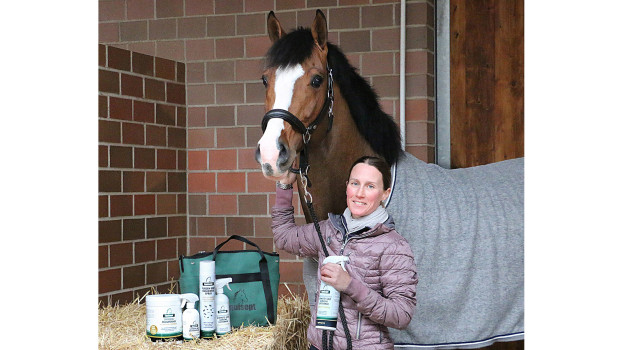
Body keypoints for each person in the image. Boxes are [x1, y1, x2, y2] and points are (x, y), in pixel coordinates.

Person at [271, 156, 418, 350]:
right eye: (355, 183)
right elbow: (284, 237)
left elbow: (401, 315)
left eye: (370, 186)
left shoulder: (394, 246)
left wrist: (350, 285)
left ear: (385, 193)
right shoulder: (328, 230)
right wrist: (284, 187)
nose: (359, 193)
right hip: (319, 345)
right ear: (347, 186)